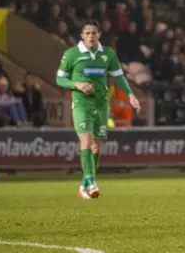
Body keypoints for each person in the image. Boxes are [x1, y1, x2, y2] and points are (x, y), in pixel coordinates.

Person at [56, 19, 140, 199]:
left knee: (97, 146)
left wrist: (131, 95)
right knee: (86, 142)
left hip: (101, 105)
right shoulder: (72, 54)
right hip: (81, 104)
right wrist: (76, 84)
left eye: (94, 33)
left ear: (99, 35)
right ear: (82, 35)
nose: (91, 36)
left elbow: (118, 77)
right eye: (87, 33)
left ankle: (84, 185)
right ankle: (91, 182)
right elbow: (59, 79)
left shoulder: (108, 54)